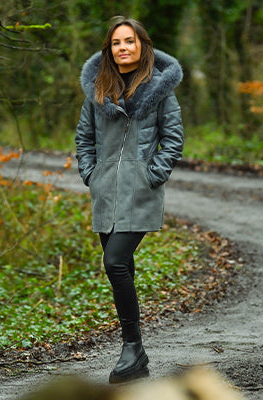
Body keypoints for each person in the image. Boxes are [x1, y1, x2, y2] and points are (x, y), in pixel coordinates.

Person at [75, 16, 184, 384]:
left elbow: (173, 139)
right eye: (116, 43)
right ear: (109, 49)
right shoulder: (98, 89)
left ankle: (131, 348)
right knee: (123, 268)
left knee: (115, 261)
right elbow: (84, 137)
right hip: (105, 193)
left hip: (140, 192)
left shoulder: (159, 89)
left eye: (130, 41)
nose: (123, 47)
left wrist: (152, 174)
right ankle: (136, 355)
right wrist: (91, 174)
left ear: (142, 46)